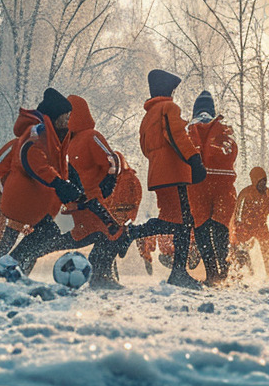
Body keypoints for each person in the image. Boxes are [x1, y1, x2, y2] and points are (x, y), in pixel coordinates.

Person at [125, 70, 209, 288]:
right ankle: (134, 233)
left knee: (179, 220)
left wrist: (159, 161)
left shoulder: (148, 115)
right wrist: (194, 160)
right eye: (172, 90)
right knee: (181, 220)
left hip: (158, 175)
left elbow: (145, 147)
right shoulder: (169, 108)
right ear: (167, 90)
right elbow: (177, 136)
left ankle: (177, 270)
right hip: (174, 174)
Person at [0, 88, 83, 276]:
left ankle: (15, 270)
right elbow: (33, 158)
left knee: (42, 234)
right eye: (65, 116)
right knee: (46, 233)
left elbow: (61, 166)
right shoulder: (36, 132)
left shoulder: (58, 135)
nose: (68, 120)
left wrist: (72, 184)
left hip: (36, 200)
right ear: (55, 114)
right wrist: (59, 184)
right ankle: (8, 264)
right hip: (25, 197)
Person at [62, 95, 127, 288]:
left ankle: (102, 275)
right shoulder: (68, 143)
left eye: (68, 115)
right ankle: (99, 276)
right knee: (100, 235)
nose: (65, 120)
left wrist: (108, 183)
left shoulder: (92, 136)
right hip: (83, 202)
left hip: (96, 199)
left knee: (108, 233)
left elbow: (112, 161)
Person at [187, 90, 237, 284]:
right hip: (224, 184)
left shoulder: (191, 127)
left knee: (201, 227)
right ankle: (224, 270)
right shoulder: (224, 128)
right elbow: (233, 154)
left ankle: (211, 272)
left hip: (198, 183)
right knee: (220, 227)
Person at [232, 167, 269, 277]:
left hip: (261, 225)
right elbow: (237, 208)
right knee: (239, 247)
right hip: (246, 226)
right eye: (261, 181)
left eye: (265, 181)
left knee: (267, 245)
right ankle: (238, 270)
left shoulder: (266, 192)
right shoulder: (246, 192)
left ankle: (268, 272)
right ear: (254, 180)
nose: (263, 184)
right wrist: (237, 222)